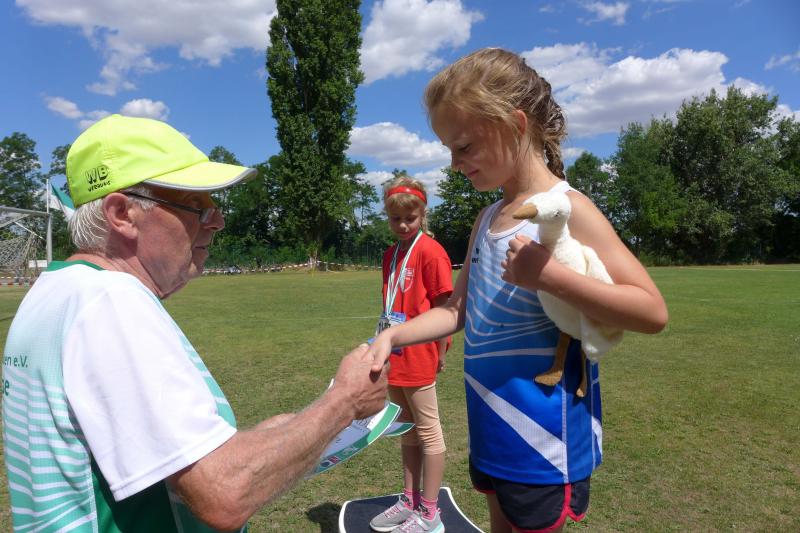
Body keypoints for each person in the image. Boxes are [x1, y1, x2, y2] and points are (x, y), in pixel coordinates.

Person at [1, 114, 388, 532]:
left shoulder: (56, 291)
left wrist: (294, 428)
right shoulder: (110, 301)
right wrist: (344, 402)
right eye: (196, 206)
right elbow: (223, 493)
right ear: (122, 213)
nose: (217, 220)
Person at [367, 48, 668, 533]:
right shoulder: (487, 218)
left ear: (513, 124)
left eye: (464, 146)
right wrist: (392, 337)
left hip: (545, 440)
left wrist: (550, 277)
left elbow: (651, 311)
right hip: (492, 429)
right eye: (449, 149)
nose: (454, 163)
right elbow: (457, 309)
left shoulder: (567, 208)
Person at [369, 176, 453, 533]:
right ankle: (409, 499)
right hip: (395, 356)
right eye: (395, 219)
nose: (403, 225)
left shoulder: (432, 252)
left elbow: (445, 308)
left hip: (420, 356)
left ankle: (430, 512)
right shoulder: (391, 255)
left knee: (429, 432)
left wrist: (441, 351)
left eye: (410, 218)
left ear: (423, 214)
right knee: (405, 430)